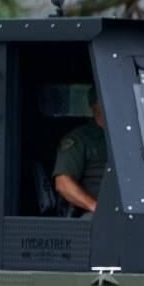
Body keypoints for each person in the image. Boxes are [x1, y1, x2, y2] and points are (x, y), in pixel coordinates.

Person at [52, 86, 107, 216]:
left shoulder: (128, 137)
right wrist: (95, 207)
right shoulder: (79, 139)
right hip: (95, 215)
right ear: (94, 105)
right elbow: (63, 184)